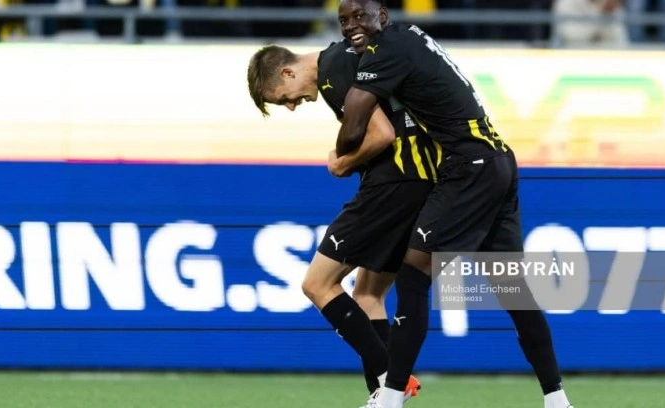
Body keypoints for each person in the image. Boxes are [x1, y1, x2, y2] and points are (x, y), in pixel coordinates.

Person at [334, 1, 574, 407]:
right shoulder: (411, 37)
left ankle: (390, 397)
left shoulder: (384, 50)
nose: (351, 26)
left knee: (413, 273)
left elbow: (355, 122)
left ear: (383, 17)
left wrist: (338, 155)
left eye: (360, 16)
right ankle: (557, 399)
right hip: (499, 160)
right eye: (343, 20)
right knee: (512, 289)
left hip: (469, 166)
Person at [246, 0, 437, 399]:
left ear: (287, 71)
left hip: (393, 183)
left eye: (284, 98)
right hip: (418, 180)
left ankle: (393, 378)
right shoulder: (350, 56)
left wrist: (343, 162)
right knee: (369, 295)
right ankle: (384, 398)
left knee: (317, 284)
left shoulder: (334, 68)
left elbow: (382, 134)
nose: (292, 106)